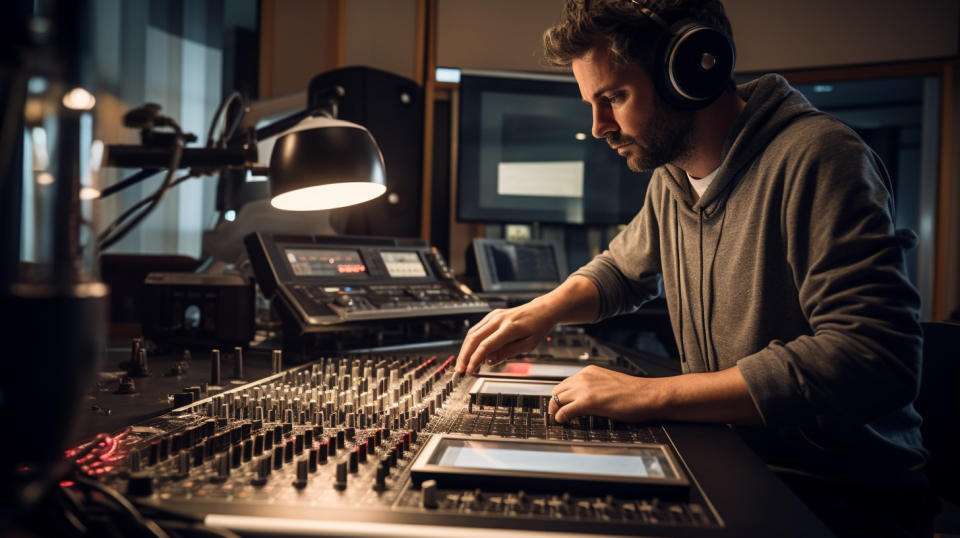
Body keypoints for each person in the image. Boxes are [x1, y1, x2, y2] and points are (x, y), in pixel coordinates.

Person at [454, 1, 937, 536]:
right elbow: (621, 269)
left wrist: (652, 394)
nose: (597, 126)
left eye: (614, 97)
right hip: (736, 463)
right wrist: (540, 312)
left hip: (837, 497)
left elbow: (873, 356)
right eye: (592, 102)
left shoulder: (821, 157)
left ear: (688, 70)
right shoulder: (672, 178)